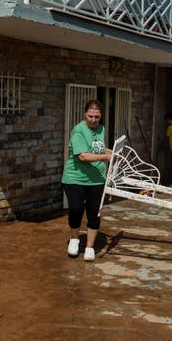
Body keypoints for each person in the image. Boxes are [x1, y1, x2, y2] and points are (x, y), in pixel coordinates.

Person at [62, 99, 112, 262]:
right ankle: (75, 239)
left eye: (97, 117)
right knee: (76, 209)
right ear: (85, 114)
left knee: (94, 213)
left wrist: (113, 152)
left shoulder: (101, 129)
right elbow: (83, 155)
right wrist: (106, 157)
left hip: (97, 180)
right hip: (75, 178)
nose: (93, 120)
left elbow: (96, 148)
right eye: (90, 116)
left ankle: (89, 247)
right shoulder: (78, 130)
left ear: (101, 116)